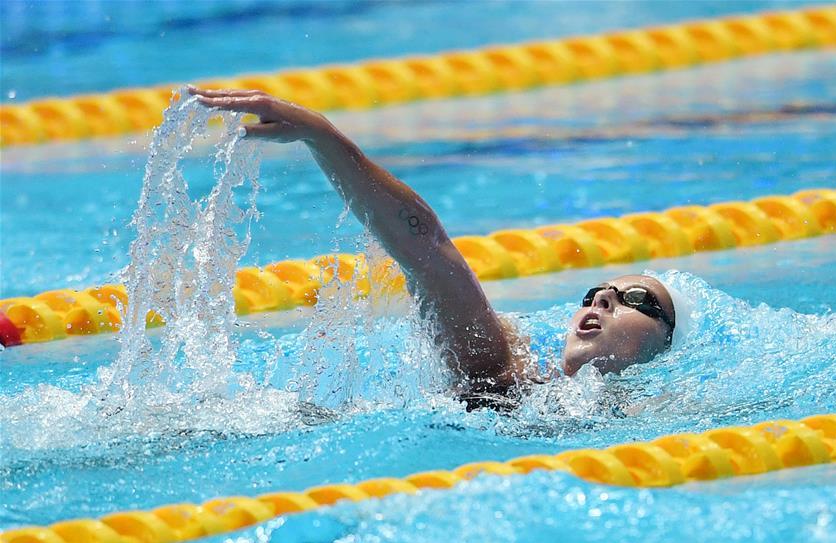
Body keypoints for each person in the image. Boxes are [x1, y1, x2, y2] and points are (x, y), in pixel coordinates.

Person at [189, 87, 680, 410]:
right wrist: (325, 137)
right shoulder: (506, 370)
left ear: (667, 344)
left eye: (637, 299)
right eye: (595, 292)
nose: (601, 300)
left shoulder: (675, 413)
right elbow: (424, 244)